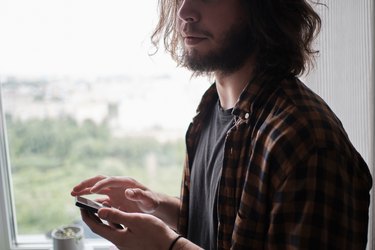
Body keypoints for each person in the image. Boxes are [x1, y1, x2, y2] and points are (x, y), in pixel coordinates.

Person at [71, 0, 373, 249]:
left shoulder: (307, 144)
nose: (184, 12)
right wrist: (157, 207)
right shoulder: (210, 112)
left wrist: (168, 247)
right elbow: (226, 233)